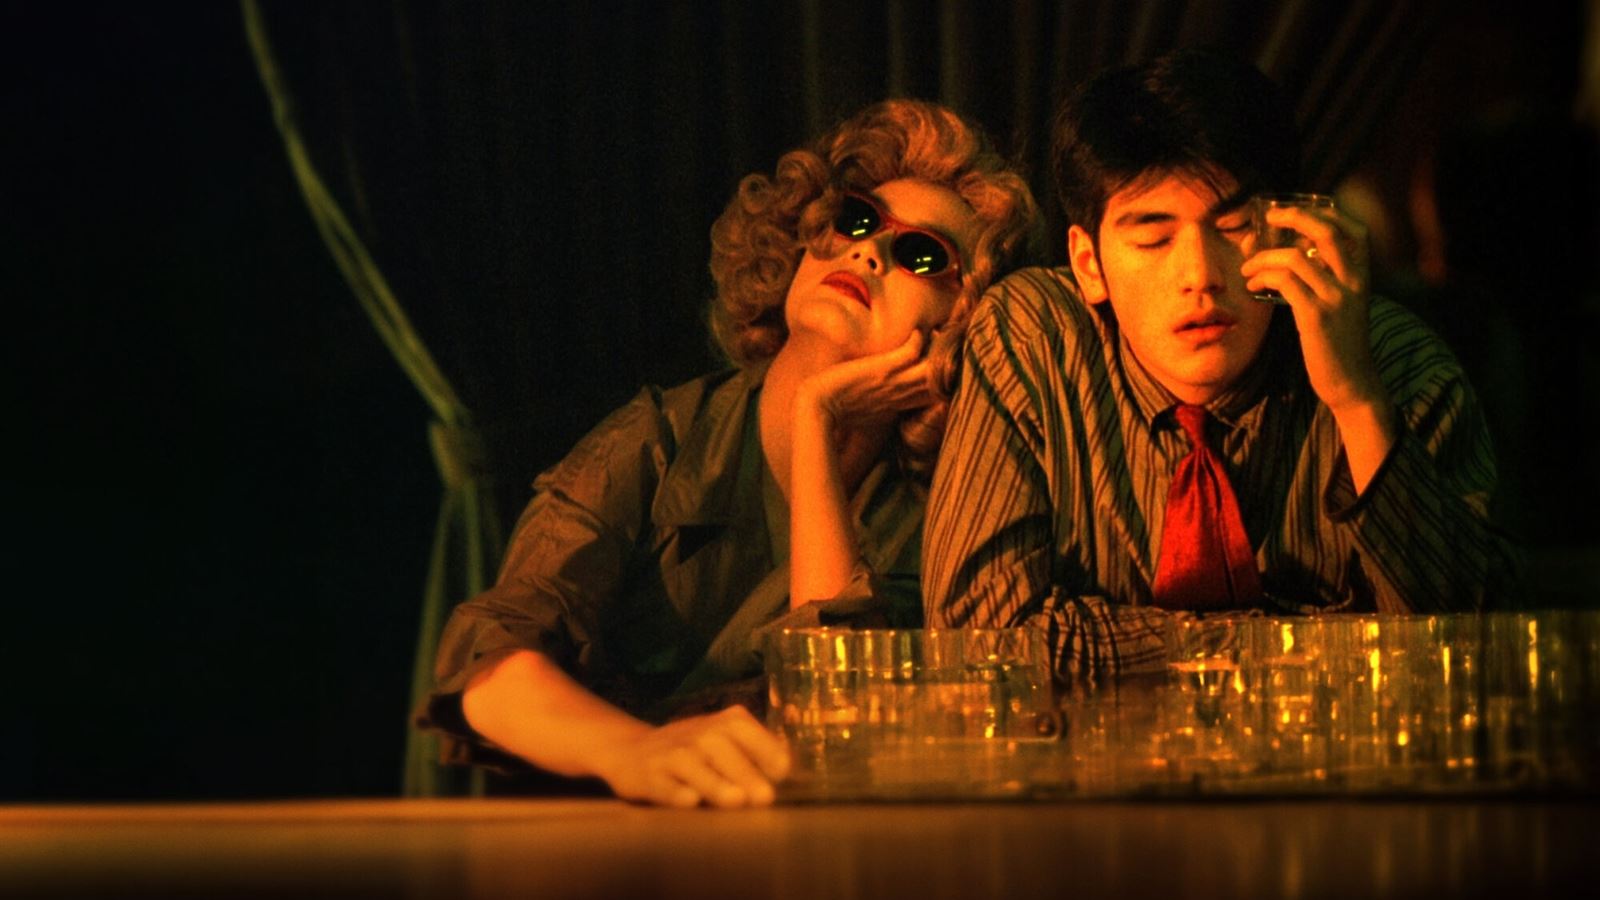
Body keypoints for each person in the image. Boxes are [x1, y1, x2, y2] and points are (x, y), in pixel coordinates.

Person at [416, 99, 1043, 807]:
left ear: (963, 325)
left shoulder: (947, 508)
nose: (868, 251)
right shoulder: (662, 437)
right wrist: (635, 752)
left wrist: (817, 420)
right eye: (856, 219)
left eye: (921, 255)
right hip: (598, 830)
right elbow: (491, 665)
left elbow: (841, 712)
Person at [922, 49, 1520, 688]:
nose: (1201, 276)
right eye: (1154, 238)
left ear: (1289, 229)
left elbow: (1477, 646)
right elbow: (975, 635)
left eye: (1233, 227)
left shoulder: (1392, 358)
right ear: (1089, 264)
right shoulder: (1036, 335)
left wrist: (1355, 399)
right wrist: (1285, 644)